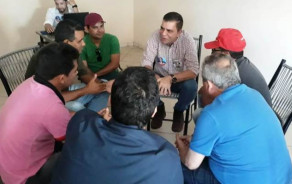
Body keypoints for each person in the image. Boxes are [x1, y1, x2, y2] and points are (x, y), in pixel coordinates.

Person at [51, 67, 183, 184]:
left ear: (109, 100)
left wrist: (98, 121)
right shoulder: (167, 155)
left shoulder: (81, 121)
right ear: (154, 112)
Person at [176, 53, 292, 184]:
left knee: (174, 165)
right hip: (283, 179)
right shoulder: (255, 94)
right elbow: (235, 133)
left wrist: (182, 150)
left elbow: (191, 164)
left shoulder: (211, 115)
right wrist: (197, 141)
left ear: (208, 85)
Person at [0, 43, 79, 184]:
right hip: (24, 179)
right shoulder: (52, 106)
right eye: (75, 71)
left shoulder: (30, 83)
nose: (77, 74)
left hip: (8, 168)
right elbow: (70, 136)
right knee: (79, 152)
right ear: (61, 78)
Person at [26, 19, 110, 112]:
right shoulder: (49, 59)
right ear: (66, 43)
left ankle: (92, 118)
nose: (84, 44)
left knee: (103, 87)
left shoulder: (71, 51)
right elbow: (51, 98)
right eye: (80, 41)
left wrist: (103, 85)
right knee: (77, 107)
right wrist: (86, 90)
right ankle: (90, 119)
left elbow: (84, 73)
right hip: (41, 102)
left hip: (63, 91)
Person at [141, 12, 199, 132]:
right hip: (158, 76)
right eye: (162, 28)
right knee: (142, 80)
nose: (163, 33)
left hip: (179, 79)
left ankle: (179, 110)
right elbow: (146, 63)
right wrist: (158, 78)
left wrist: (170, 78)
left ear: (179, 32)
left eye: (169, 30)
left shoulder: (187, 41)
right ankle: (159, 108)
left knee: (192, 86)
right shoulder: (155, 36)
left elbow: (193, 71)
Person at [81, 12, 120, 81]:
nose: (100, 30)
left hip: (111, 73)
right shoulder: (82, 43)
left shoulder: (112, 39)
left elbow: (115, 64)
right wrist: (93, 79)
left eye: (101, 26)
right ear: (86, 29)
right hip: (90, 75)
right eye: (95, 27)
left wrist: (96, 75)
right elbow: (84, 68)